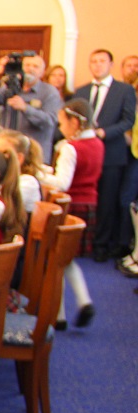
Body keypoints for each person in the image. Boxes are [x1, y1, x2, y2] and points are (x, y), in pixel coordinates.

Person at [40, 99, 102, 327]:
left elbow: (63, 182)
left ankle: (61, 314)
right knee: (66, 259)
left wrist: (38, 174)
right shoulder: (97, 143)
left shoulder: (70, 148)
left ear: (74, 123)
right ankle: (77, 305)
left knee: (58, 259)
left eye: (62, 123)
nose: (60, 128)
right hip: (89, 204)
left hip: (70, 205)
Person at [73, 49, 137, 262]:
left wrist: (105, 133)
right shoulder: (81, 91)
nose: (98, 65)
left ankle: (101, 244)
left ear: (111, 65)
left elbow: (128, 120)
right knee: (84, 198)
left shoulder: (124, 90)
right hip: (86, 154)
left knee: (108, 201)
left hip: (112, 153)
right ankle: (82, 242)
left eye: (102, 61)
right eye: (94, 61)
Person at [0, 52, 61, 158]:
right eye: (27, 65)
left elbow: (50, 121)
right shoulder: (10, 87)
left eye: (35, 66)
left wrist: (25, 108)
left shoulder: (49, 92)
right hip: (8, 151)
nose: (30, 69)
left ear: (42, 73)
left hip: (33, 154)